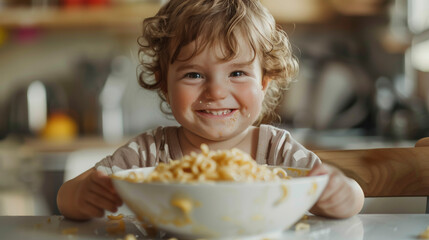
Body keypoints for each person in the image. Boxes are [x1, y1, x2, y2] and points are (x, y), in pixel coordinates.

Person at [57, 0, 364, 221]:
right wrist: (81, 196)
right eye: (193, 75)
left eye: (238, 73)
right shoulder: (149, 153)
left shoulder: (277, 151)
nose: (216, 92)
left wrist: (342, 195)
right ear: (165, 85)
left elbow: (344, 194)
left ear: (264, 83)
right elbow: (67, 195)